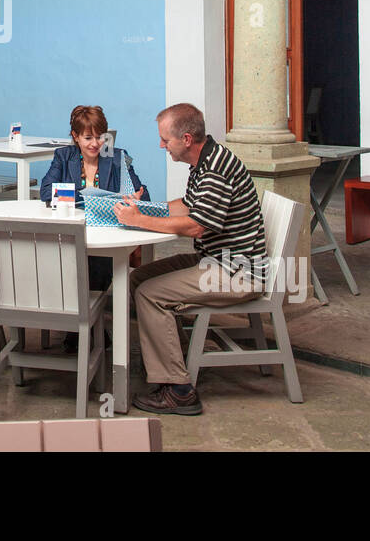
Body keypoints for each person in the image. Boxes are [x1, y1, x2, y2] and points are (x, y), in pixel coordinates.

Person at [114, 103, 268, 416]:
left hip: (237, 272)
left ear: (185, 139)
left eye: (165, 140)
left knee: (149, 294)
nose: (161, 145)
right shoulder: (205, 160)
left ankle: (178, 390)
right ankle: (174, 353)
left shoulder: (214, 169)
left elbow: (197, 225)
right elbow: (187, 205)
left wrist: (138, 221)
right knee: (137, 278)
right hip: (217, 259)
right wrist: (145, 209)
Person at [39, 105, 144, 352]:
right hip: (70, 230)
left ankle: (82, 326)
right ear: (75, 136)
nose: (95, 144)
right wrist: (89, 197)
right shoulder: (63, 156)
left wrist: (134, 197)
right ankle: (85, 326)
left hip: (106, 232)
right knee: (67, 260)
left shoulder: (117, 156)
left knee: (96, 263)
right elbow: (46, 192)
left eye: (100, 137)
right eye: (88, 138)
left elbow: (141, 191)